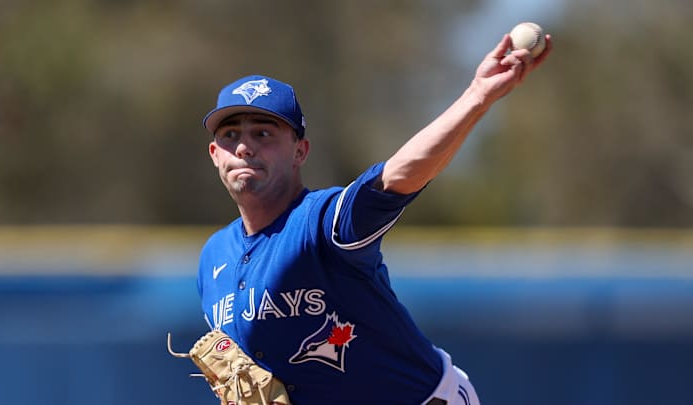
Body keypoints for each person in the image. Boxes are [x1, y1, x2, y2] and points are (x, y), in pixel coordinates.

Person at [196, 33, 551, 404]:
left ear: (300, 151)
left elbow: (398, 176)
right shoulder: (214, 258)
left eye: (263, 133)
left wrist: (477, 97)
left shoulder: (323, 223)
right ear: (214, 154)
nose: (243, 146)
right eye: (230, 134)